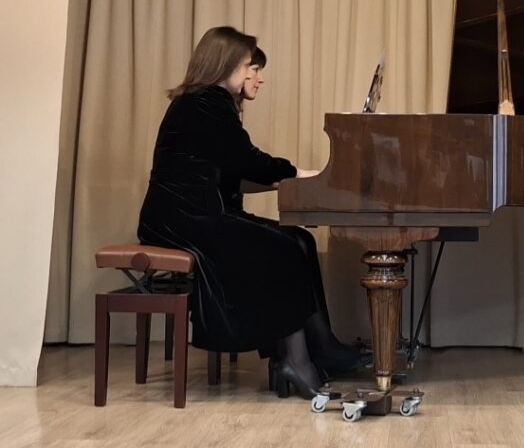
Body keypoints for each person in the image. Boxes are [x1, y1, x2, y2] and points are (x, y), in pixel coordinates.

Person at [137, 26, 365, 399]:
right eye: (252, 67)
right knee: (284, 248)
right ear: (225, 64)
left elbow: (233, 173)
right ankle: (295, 360)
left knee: (300, 239)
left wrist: (292, 179)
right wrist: (297, 173)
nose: (258, 77)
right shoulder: (206, 101)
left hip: (197, 213)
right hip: (181, 219)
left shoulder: (205, 103)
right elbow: (248, 161)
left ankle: (321, 346)